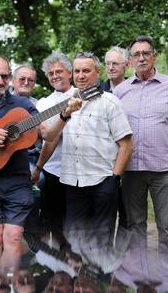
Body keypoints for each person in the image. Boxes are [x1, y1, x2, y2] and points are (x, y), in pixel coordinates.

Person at [0, 55, 81, 274]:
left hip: (17, 183)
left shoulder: (24, 107)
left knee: (12, 236)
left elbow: (48, 135)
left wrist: (64, 115)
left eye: (4, 76)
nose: (0, 81)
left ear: (10, 77)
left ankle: (4, 281)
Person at [114, 35, 168, 267]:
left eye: (146, 53)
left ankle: (167, 276)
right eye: (136, 55)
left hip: (165, 170)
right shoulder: (120, 92)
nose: (141, 58)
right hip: (131, 169)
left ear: (154, 56)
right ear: (129, 61)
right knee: (135, 223)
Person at [61, 52, 133, 254]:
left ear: (97, 72)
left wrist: (114, 179)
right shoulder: (65, 103)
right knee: (73, 243)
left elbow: (126, 145)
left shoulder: (110, 102)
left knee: (101, 244)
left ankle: (99, 282)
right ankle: (78, 283)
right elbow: (49, 135)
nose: (81, 75)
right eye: (77, 71)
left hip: (102, 182)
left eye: (86, 70)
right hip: (73, 183)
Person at [32, 51, 75, 249]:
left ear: (70, 73)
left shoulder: (82, 95)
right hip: (54, 169)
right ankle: (59, 271)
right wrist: (39, 167)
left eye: (59, 71)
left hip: (82, 170)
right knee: (55, 221)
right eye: (51, 73)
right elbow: (47, 138)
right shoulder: (43, 103)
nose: (55, 76)